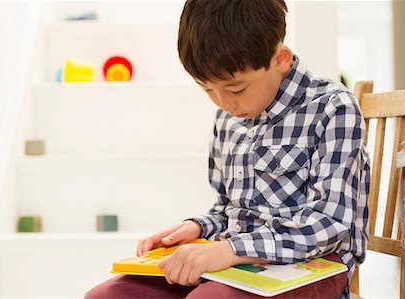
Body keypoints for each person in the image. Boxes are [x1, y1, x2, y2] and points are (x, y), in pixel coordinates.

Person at [85, 0, 370, 298]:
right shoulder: (230, 117)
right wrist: (197, 227)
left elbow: (329, 223)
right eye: (207, 89)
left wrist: (231, 249)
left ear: (281, 59)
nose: (223, 103)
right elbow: (228, 210)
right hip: (238, 264)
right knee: (108, 295)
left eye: (236, 89)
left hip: (312, 266)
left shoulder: (332, 107)